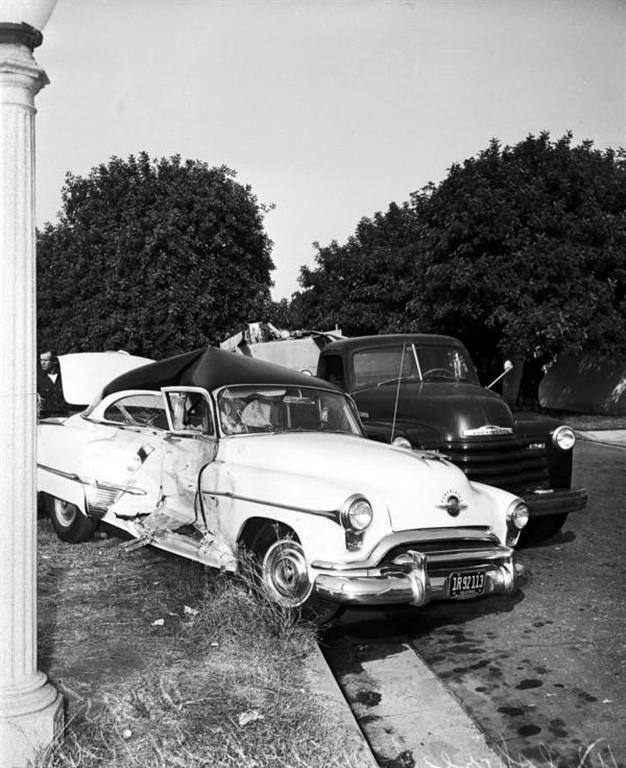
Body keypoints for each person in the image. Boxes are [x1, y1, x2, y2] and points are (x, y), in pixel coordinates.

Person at [37, 349, 69, 418]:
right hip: (45, 418)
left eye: (45, 360)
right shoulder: (37, 378)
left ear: (54, 361)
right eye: (41, 360)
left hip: (65, 417)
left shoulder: (65, 377)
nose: (42, 363)